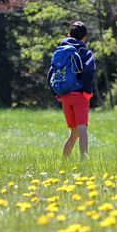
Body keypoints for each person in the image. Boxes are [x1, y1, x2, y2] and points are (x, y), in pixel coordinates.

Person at [48, 21, 95, 159]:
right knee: (82, 129)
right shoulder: (84, 51)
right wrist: (87, 91)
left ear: (69, 35)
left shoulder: (60, 52)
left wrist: (56, 93)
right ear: (85, 38)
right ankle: (84, 160)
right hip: (79, 95)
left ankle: (64, 160)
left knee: (74, 131)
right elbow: (89, 71)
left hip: (64, 97)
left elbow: (51, 73)